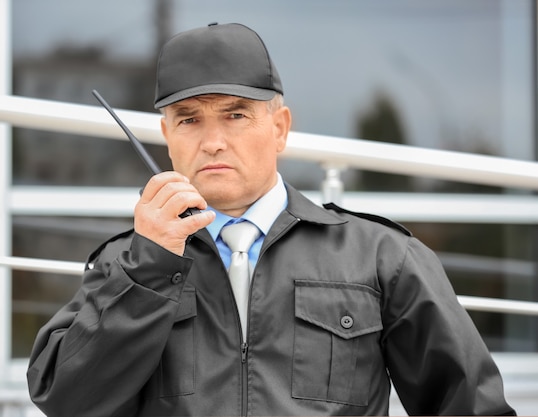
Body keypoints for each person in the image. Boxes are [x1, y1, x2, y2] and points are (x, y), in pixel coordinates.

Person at [27, 23, 515, 416]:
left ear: (279, 128)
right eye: (189, 119)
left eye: (236, 115)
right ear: (167, 136)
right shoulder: (126, 262)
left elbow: (471, 406)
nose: (212, 140)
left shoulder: (382, 256)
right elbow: (66, 401)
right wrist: (149, 268)